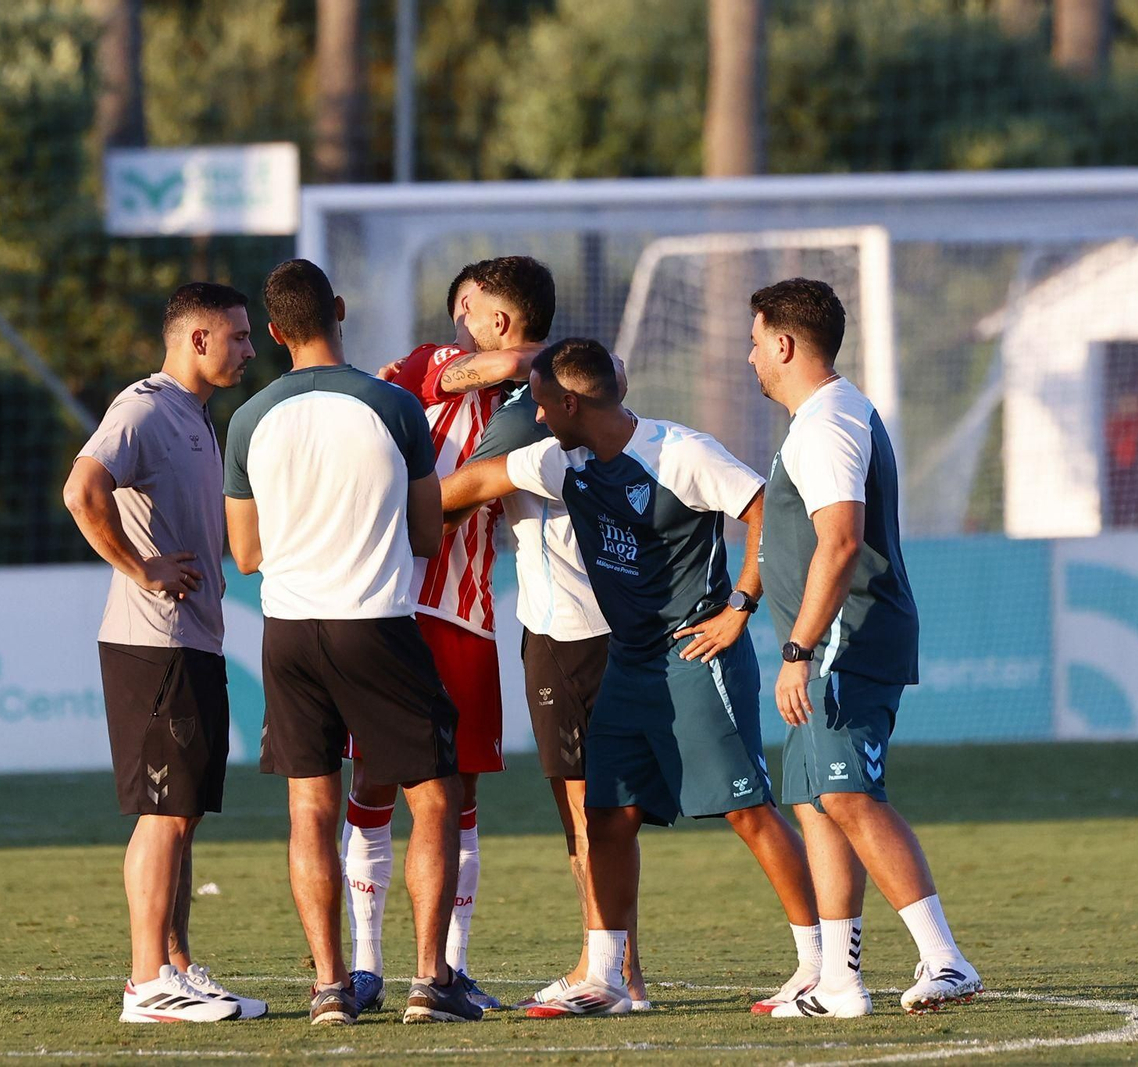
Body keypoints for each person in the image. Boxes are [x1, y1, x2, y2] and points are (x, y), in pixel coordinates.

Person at [442, 338, 820, 1018]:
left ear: (568, 403)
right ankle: (609, 976)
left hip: (697, 654)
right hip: (629, 662)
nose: (531, 411)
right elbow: (469, 485)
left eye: (536, 399)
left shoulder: (681, 452)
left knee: (746, 809)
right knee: (607, 817)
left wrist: (741, 607)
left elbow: (770, 511)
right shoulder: (562, 459)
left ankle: (819, 965)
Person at [222, 259, 481, 1027]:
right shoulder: (396, 405)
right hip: (375, 621)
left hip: (290, 630)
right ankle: (429, 980)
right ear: (339, 310)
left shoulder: (248, 419)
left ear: (273, 333)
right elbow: (431, 533)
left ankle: (331, 986)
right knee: (432, 797)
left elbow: (245, 554)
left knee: (311, 807)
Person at [746, 277, 983, 1017]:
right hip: (827, 643)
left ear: (784, 344)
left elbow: (841, 540)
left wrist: (799, 650)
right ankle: (840, 982)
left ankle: (946, 959)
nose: (750, 357)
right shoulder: (824, 417)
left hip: (846, 641)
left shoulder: (826, 424)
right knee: (818, 802)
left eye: (755, 342)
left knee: (846, 793)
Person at [340, 256, 553, 1014]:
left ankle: (446, 970)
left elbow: (542, 371)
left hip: (464, 612)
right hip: (389, 604)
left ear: (495, 314)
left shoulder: (539, 398)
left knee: (458, 795)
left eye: (469, 305)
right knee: (370, 783)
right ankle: (365, 964)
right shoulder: (431, 364)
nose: (455, 317)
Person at [62, 281, 264, 1024]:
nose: (249, 348)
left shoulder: (197, 418)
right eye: (238, 336)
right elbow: (81, 490)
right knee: (163, 811)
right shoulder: (143, 406)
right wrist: (140, 566)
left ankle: (176, 964)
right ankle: (146, 983)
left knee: (183, 810)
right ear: (198, 339)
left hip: (194, 640)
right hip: (154, 643)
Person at [455, 368, 652, 1011]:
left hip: (570, 639)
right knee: (602, 816)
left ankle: (608, 974)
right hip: (595, 636)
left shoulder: (537, 447)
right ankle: (621, 971)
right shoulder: (613, 429)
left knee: (586, 816)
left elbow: (445, 497)